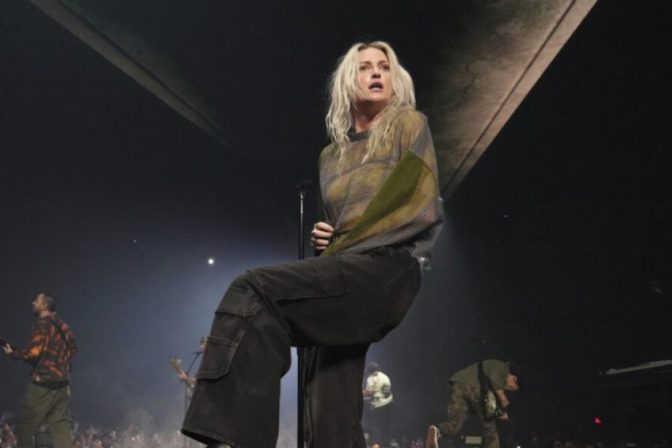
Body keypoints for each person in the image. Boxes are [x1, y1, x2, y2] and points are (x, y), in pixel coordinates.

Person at [181, 40, 442, 448]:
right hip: (344, 274)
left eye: (384, 66)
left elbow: (417, 202)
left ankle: (233, 438)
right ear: (347, 81)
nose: (376, 72)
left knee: (253, 290)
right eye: (364, 67)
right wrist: (328, 236)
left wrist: (343, 238)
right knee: (325, 408)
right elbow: (338, 232)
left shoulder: (409, 125)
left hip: (387, 270)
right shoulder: (329, 157)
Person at [2, 293, 78, 448]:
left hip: (43, 383)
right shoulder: (63, 325)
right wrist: (57, 364)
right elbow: (73, 349)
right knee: (60, 425)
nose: (33, 302)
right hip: (63, 384)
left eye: (36, 301)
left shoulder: (42, 325)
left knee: (25, 423)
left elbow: (33, 352)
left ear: (44, 306)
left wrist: (12, 354)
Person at [426, 360, 519, 448]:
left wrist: (499, 413)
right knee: (489, 424)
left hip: (456, 386)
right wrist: (503, 398)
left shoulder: (492, 381)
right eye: (511, 387)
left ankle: (436, 429)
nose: (507, 388)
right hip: (472, 386)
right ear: (514, 378)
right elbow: (493, 378)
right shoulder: (503, 368)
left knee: (455, 424)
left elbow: (488, 404)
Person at [363, 362, 394, 447]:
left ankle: (376, 445)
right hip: (389, 404)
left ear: (370, 371)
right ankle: (386, 445)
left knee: (376, 427)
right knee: (386, 427)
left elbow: (369, 393)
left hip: (378, 405)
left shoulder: (372, 377)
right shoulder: (385, 376)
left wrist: (360, 393)